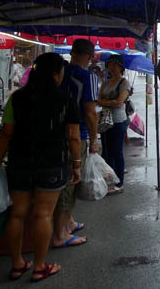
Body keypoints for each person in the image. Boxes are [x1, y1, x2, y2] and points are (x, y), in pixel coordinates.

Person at [0, 53, 81, 282]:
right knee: (43, 215)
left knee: (17, 215)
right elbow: (73, 137)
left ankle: (17, 265)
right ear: (55, 74)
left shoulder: (17, 98)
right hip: (52, 164)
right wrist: (77, 165)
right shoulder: (66, 100)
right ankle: (40, 267)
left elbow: (6, 133)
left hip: (19, 163)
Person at [52, 39, 99, 248]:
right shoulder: (87, 77)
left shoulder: (59, 73)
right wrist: (94, 138)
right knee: (71, 181)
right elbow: (90, 112)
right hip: (76, 134)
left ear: (72, 53)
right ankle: (60, 234)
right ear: (90, 57)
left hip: (54, 132)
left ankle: (68, 222)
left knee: (66, 179)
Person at [98, 55, 130, 194]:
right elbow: (98, 99)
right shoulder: (106, 82)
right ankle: (109, 180)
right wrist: (110, 102)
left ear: (121, 67)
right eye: (110, 65)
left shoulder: (124, 83)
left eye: (115, 65)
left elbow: (120, 102)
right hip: (105, 120)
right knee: (106, 151)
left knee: (116, 152)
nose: (112, 68)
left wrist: (105, 102)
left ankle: (119, 183)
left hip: (118, 121)